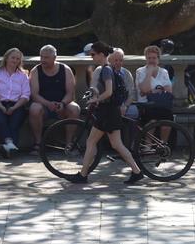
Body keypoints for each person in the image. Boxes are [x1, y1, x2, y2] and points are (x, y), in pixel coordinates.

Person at [67, 41, 143, 185]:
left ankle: (83, 175)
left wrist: (95, 100)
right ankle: (136, 172)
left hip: (107, 112)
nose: (92, 57)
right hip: (110, 111)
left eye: (93, 54)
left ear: (101, 54)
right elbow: (98, 88)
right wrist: (91, 97)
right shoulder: (106, 69)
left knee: (93, 142)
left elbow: (108, 92)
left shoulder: (106, 70)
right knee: (116, 145)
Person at [28, 45, 80, 154]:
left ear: (54, 58)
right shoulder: (36, 71)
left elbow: (70, 93)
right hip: (43, 105)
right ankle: (38, 143)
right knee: (34, 108)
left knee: (75, 108)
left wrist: (62, 103)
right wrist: (48, 104)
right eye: (41, 57)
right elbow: (34, 94)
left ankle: (69, 143)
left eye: (46, 57)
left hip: (62, 104)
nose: (43, 60)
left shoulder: (65, 70)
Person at [0, 47, 30, 157]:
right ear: (6, 58)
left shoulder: (23, 75)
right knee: (1, 120)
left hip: (17, 105)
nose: (15, 60)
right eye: (13, 58)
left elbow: (26, 95)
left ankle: (8, 146)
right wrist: (1, 107)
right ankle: (11, 146)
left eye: (17, 59)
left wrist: (14, 107)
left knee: (14, 122)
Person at [136, 44, 173, 140]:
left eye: (154, 58)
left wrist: (151, 91)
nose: (151, 60)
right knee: (151, 123)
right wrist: (149, 73)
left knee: (166, 124)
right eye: (149, 58)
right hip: (146, 105)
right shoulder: (140, 71)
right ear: (146, 59)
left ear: (158, 59)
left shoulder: (164, 72)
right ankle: (147, 148)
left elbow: (169, 90)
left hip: (162, 104)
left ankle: (163, 146)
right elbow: (144, 89)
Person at [92, 47, 138, 119]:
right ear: (109, 60)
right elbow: (93, 88)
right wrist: (96, 99)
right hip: (103, 103)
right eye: (115, 60)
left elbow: (131, 93)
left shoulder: (126, 73)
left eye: (120, 60)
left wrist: (125, 105)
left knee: (133, 111)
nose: (118, 63)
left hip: (122, 103)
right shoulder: (99, 71)